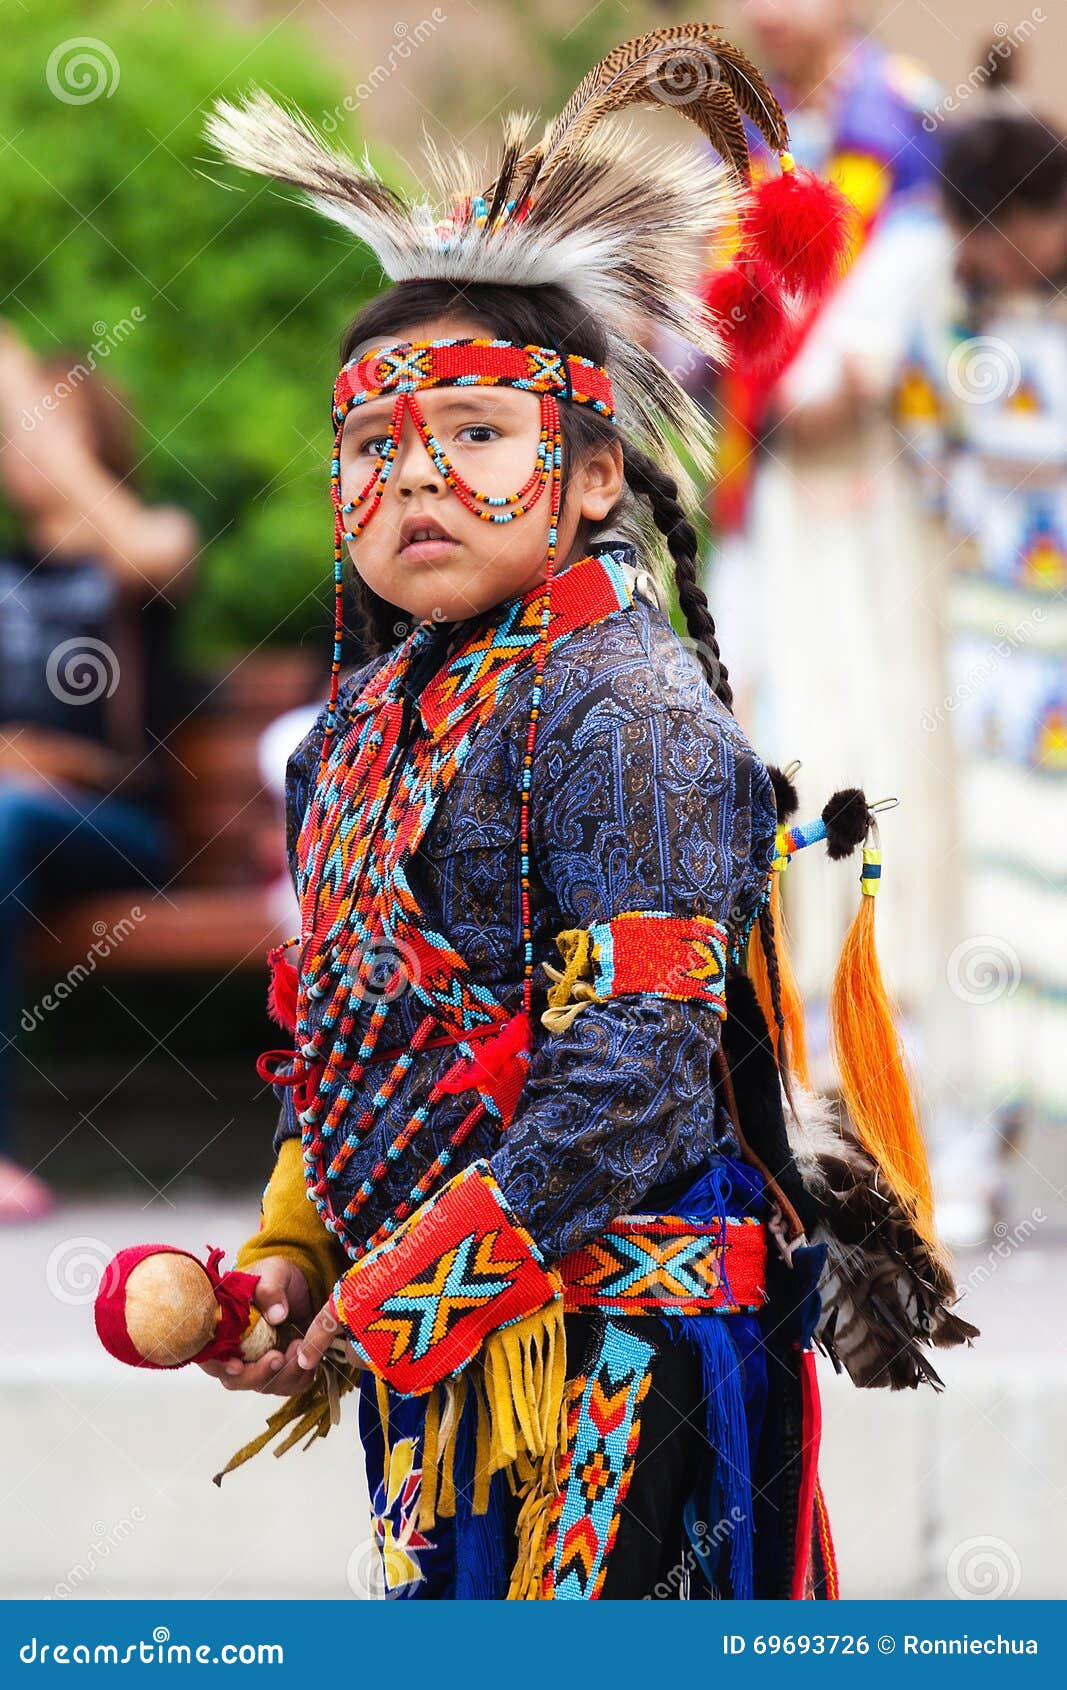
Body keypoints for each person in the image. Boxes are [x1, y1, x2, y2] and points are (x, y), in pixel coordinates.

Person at [192, 22, 973, 1601]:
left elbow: (624, 1084)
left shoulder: (630, 713)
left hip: (631, 1354)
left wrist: (395, 1288)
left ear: (592, 471)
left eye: (473, 436)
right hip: (454, 1351)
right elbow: (349, 1023)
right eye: (370, 448)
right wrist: (294, 1257)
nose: (414, 482)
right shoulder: (350, 728)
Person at [704, 1, 954, 1096]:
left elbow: (940, 289)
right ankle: (780, 1011)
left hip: (868, 482)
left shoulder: (900, 123)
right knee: (758, 712)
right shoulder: (749, 141)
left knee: (877, 713)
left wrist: (848, 366)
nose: (767, 10)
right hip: (767, 489)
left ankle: (888, 1000)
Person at [896, 90, 1067, 1232]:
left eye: (997, 223)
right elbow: (924, 457)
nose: (984, 249)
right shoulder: (947, 332)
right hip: (986, 651)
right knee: (992, 894)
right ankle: (968, 1146)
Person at [0, 322, 199, 1221]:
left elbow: (149, 552)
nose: (26, 437)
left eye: (50, 422)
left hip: (111, 825)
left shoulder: (148, 543)